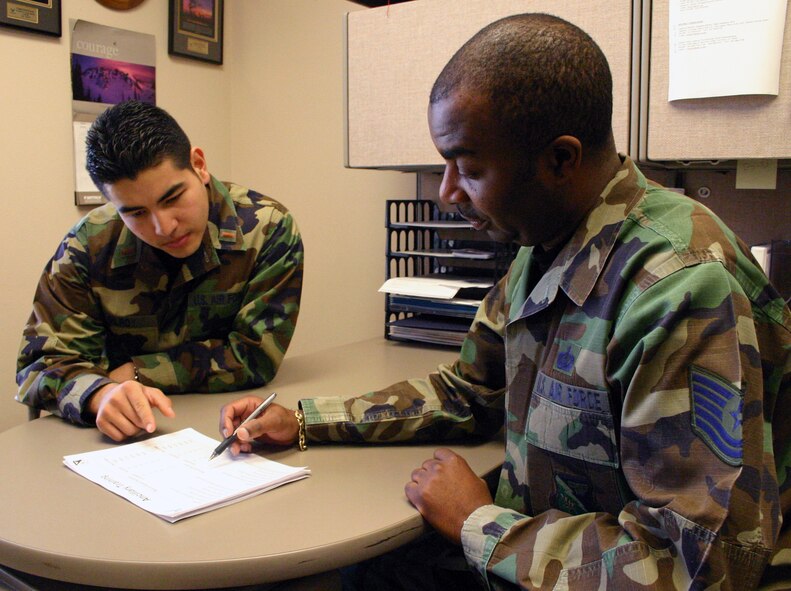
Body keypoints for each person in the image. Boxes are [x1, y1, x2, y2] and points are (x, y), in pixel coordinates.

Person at [219, 13, 790, 590]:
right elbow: (470, 391)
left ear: (560, 160)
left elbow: (695, 567)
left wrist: (478, 523)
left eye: (468, 168)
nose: (446, 192)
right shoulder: (544, 240)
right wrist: (305, 421)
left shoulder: (679, 289)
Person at [17, 100, 304, 443]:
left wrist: (138, 372)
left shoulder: (267, 229)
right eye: (136, 213)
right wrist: (100, 394)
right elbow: (40, 365)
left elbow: (255, 354)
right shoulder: (88, 245)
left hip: (215, 427)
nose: (164, 226)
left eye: (172, 198)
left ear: (199, 165)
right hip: (110, 443)